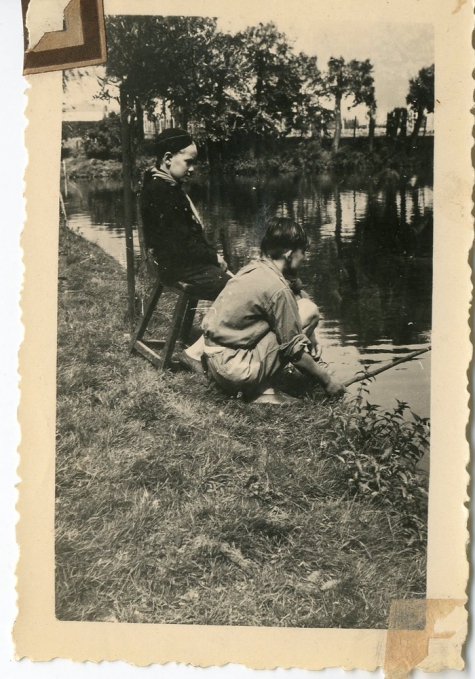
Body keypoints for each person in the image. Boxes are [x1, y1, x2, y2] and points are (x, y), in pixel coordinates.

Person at [202, 218, 346, 403]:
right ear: (289, 254)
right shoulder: (278, 289)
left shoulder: (255, 268)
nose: (305, 258)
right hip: (235, 372)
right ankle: (260, 390)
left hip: (216, 362)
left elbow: (294, 291)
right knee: (308, 313)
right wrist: (327, 380)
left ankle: (257, 384)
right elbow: (295, 353)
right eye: (303, 252)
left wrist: (312, 337)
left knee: (298, 311)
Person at [140, 128, 231, 371]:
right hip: (177, 267)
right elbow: (181, 243)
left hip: (175, 262)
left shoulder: (161, 183)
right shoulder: (164, 192)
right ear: (168, 158)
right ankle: (197, 352)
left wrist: (212, 258)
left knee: (235, 283)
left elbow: (187, 237)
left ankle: (209, 343)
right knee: (236, 292)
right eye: (188, 161)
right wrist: (213, 257)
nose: (192, 168)